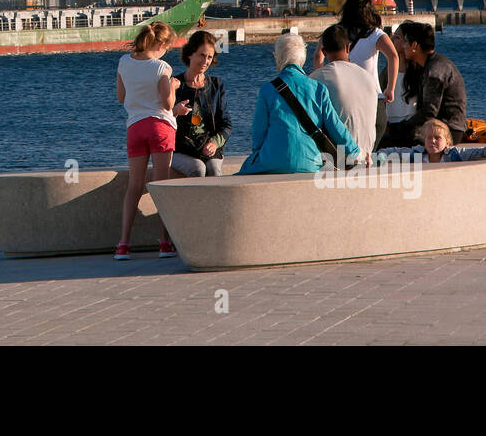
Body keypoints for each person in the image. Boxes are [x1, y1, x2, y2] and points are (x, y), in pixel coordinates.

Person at [238, 32, 361, 176]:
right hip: (309, 163)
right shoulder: (318, 89)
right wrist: (354, 151)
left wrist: (259, 154)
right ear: (302, 59)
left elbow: (258, 133)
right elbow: (336, 127)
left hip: (272, 160)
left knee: (243, 170)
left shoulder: (267, 90)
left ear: (278, 57)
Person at [116, 21, 179, 260]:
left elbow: (121, 97)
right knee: (161, 185)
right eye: (167, 47)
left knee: (135, 186)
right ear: (161, 44)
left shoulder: (124, 62)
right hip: (160, 127)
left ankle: (123, 244)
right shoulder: (162, 67)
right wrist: (173, 85)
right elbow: (167, 104)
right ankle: (164, 243)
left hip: (135, 127)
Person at [314, 0, 398, 106]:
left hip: (341, 97)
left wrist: (320, 84)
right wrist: (390, 88)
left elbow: (318, 56)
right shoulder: (375, 34)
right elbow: (393, 56)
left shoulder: (335, 33)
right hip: (372, 97)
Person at [392, 20, 469, 144]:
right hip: (441, 127)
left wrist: (400, 126)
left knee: (391, 141)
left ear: (414, 46)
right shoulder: (431, 64)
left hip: (447, 131)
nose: (404, 46)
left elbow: (429, 112)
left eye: (406, 42)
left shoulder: (434, 70)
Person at [310, 23, 378, 159]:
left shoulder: (317, 78)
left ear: (324, 52)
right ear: (348, 47)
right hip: (368, 154)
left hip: (340, 158)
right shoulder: (368, 77)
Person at [171, 30, 231, 178]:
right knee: (198, 168)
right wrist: (174, 111)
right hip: (180, 150)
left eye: (209, 57)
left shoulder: (216, 85)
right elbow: (160, 118)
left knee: (214, 170)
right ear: (190, 53)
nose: (206, 61)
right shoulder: (175, 84)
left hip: (209, 148)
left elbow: (226, 124)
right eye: (202, 55)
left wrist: (215, 144)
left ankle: (217, 202)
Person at [375, 119, 486, 163]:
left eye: (437, 138)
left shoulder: (454, 154)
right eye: (429, 138)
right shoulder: (416, 154)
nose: (432, 141)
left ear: (447, 142)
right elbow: (394, 152)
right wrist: (379, 157)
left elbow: (478, 152)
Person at [378, 22, 420, 147]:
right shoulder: (388, 71)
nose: (391, 40)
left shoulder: (419, 71)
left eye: (397, 37)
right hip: (390, 127)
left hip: (411, 129)